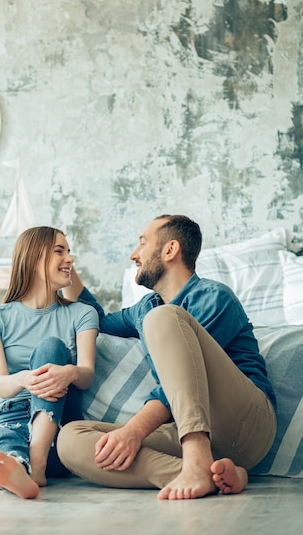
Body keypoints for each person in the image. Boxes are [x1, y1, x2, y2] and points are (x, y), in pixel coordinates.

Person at [57, 214, 277, 500]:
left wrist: (134, 431)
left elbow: (184, 379)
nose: (133, 254)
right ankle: (202, 473)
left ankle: (198, 461)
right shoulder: (145, 308)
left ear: (170, 250)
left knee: (162, 318)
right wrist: (67, 268)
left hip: (245, 423)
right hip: (185, 430)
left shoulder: (214, 297)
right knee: (71, 440)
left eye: (142, 243)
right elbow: (94, 320)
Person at [0, 226, 99, 499]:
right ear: (33, 259)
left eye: (69, 251)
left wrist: (68, 372)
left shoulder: (82, 314)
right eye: (60, 251)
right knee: (2, 444)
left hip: (60, 429)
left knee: (51, 347)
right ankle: (20, 469)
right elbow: (1, 385)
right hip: (13, 417)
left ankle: (37, 459)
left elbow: (87, 374)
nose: (69, 259)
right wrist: (24, 378)